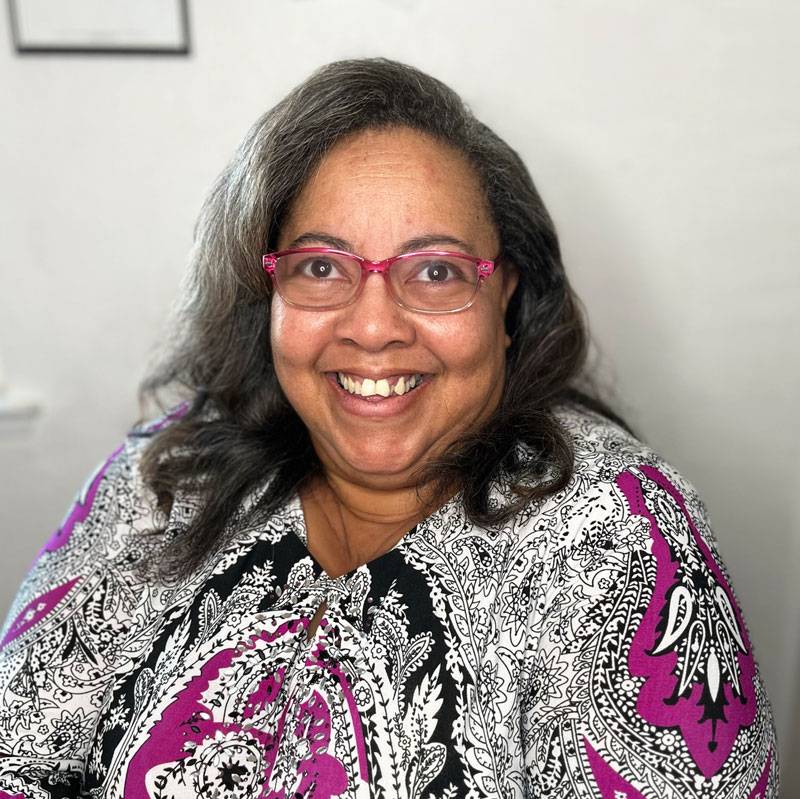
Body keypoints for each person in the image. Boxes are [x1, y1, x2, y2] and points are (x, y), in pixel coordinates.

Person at [0, 58, 778, 799]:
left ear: (504, 296)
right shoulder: (168, 473)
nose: (372, 328)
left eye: (434, 271)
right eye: (322, 267)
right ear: (264, 290)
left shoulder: (621, 538)